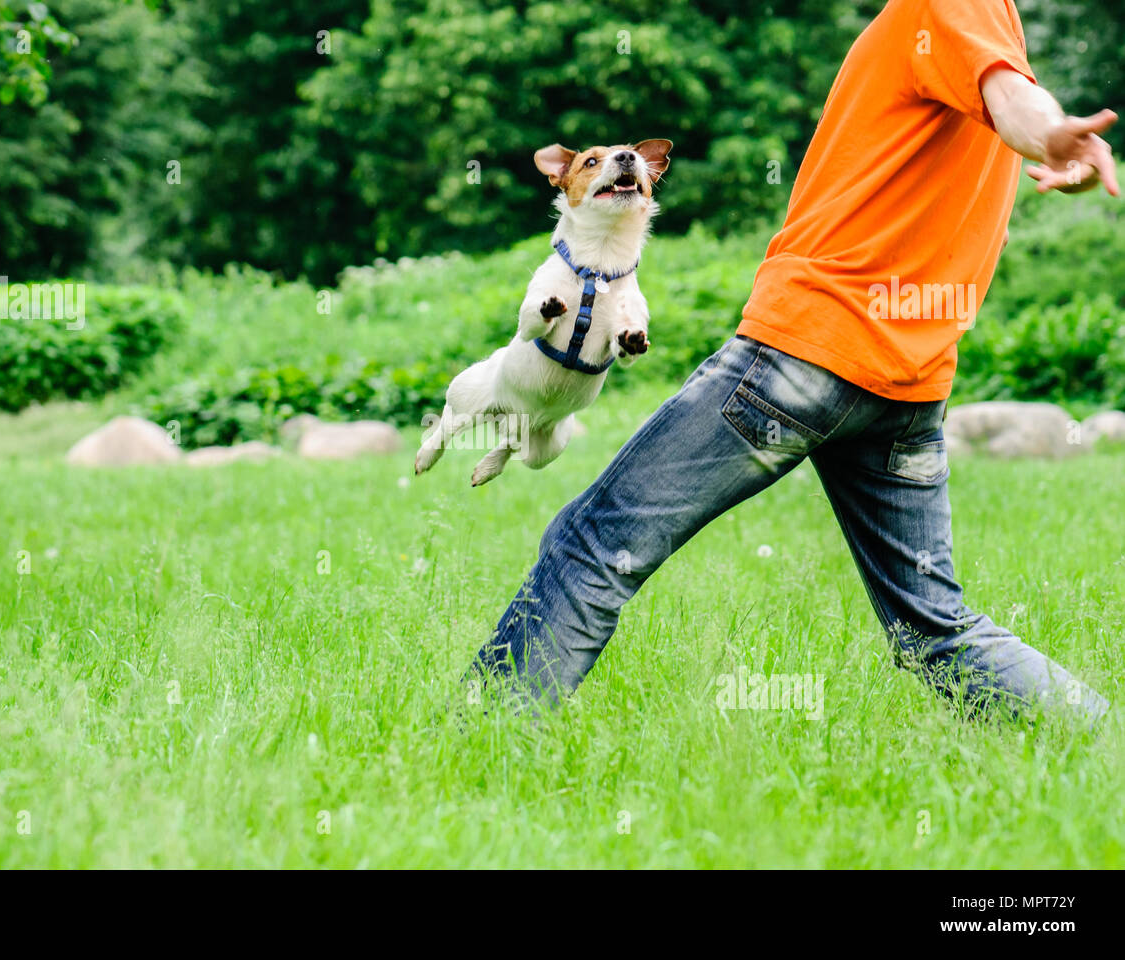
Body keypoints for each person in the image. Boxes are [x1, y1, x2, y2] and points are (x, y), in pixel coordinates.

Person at [463, 0, 1118, 722]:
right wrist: (1049, 133)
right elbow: (1009, 92)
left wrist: (1052, 134)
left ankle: (477, 740)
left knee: (594, 542)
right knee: (934, 630)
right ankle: (1103, 745)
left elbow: (1015, 101)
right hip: (906, 384)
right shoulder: (982, 26)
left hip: (807, 351)